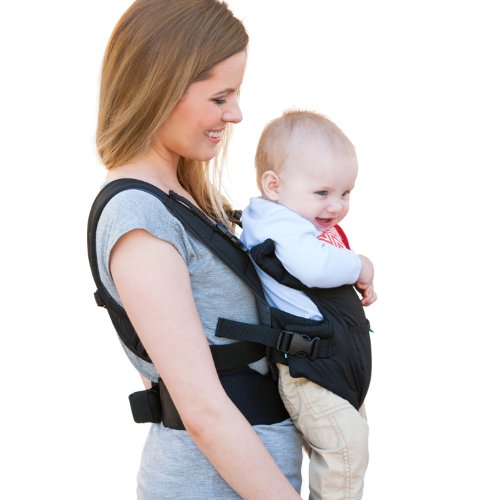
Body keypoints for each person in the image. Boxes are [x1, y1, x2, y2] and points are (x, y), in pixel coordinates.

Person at [90, 1, 303, 498]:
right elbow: (202, 410)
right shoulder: (139, 218)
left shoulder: (181, 199)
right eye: (220, 97)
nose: (236, 114)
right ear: (160, 87)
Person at [240, 110, 377, 499]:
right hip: (310, 372)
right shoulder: (277, 224)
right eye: (322, 193)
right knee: (344, 450)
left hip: (328, 367)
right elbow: (314, 267)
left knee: (347, 445)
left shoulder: (293, 221)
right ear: (274, 185)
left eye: (345, 193)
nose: (336, 207)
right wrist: (360, 265)